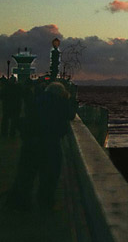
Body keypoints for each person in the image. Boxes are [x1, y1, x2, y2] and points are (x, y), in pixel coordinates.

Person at [6, 82, 76, 212]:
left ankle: (21, 202)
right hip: (50, 143)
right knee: (49, 175)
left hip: (30, 142)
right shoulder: (60, 102)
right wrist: (71, 101)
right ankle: (45, 203)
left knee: (26, 174)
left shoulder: (37, 100)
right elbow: (70, 114)